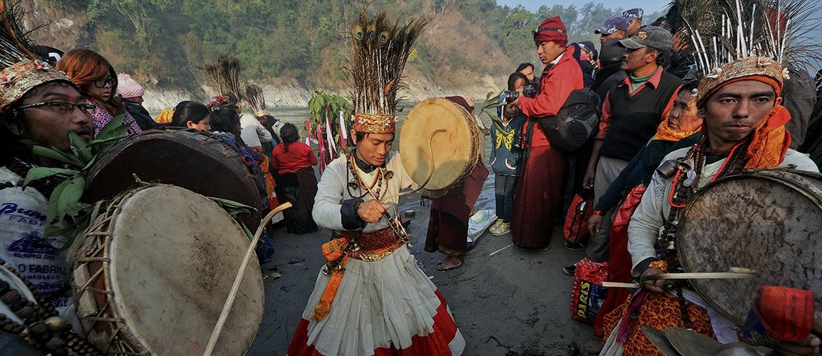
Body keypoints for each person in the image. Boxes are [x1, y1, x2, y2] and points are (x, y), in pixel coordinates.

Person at [600, 55, 819, 356]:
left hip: (748, 330)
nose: (743, 112)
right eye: (728, 99)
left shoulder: (791, 172)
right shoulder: (677, 161)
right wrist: (646, 263)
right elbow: (644, 222)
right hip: (666, 300)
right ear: (702, 107)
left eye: (760, 99)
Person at [288, 11, 464, 355]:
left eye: (389, 142)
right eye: (375, 143)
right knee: (352, 331)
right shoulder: (338, 169)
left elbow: (427, 178)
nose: (384, 151)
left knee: (406, 320)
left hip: (394, 260)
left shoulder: (397, 164)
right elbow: (321, 211)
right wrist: (355, 209)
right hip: (353, 260)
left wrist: (448, 154)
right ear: (356, 135)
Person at [0, 43, 104, 355]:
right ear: (14, 123)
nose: (82, 118)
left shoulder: (92, 180)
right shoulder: (12, 203)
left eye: (82, 106)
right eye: (59, 106)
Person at [586, 81, 702, 348]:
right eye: (674, 105)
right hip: (628, 218)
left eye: (684, 108)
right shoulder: (659, 137)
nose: (673, 114)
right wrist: (601, 208)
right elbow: (627, 174)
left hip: (654, 236)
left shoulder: (694, 154)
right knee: (618, 276)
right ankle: (609, 332)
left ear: (703, 116)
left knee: (637, 284)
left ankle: (619, 336)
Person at [579, 26, 682, 267]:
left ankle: (619, 271)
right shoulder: (616, 87)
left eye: (633, 50)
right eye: (626, 48)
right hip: (607, 162)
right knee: (600, 215)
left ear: (652, 55)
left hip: (641, 169)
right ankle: (592, 266)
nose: (625, 54)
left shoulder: (673, 89)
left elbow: (669, 136)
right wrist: (592, 166)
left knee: (628, 222)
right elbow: (604, 128)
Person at [506, 15, 584, 250]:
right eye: (537, 45)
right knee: (533, 191)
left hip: (547, 141)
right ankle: (525, 236)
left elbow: (548, 106)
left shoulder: (564, 69)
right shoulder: (559, 66)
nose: (539, 51)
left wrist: (522, 102)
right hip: (541, 138)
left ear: (560, 42)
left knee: (538, 195)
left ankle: (532, 239)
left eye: (543, 44)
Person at [424, 96, 489, 271]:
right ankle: (449, 253)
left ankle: (455, 257)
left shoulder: (468, 134)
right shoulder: (446, 132)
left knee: (454, 218)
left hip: (459, 186)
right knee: (441, 216)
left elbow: (473, 162)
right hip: (447, 184)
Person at [55, 48, 142, 136]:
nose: (107, 86)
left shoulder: (114, 106)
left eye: (109, 80)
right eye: (100, 81)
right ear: (82, 80)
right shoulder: (86, 111)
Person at [489, 74, 527, 237]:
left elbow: (520, 146)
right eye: (510, 106)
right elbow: (493, 143)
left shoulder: (519, 123)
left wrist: (512, 161)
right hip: (498, 165)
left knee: (509, 194)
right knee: (498, 194)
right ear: (501, 107)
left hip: (512, 167)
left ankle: (508, 221)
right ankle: (500, 217)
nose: (514, 109)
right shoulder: (495, 124)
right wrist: (492, 159)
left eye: (515, 106)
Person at [270, 123, 318, 234]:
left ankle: (294, 228)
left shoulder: (276, 150)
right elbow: (314, 162)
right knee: (308, 201)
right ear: (295, 135)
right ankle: (311, 226)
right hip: (305, 178)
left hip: (286, 180)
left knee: (291, 205)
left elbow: (275, 166)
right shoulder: (304, 148)